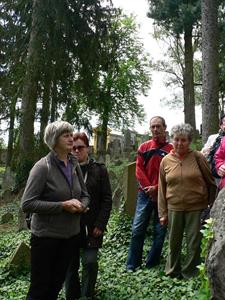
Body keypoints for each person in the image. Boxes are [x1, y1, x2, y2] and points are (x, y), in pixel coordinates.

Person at [21, 121, 89, 300]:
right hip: (46, 238)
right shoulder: (42, 167)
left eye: (71, 134)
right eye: (65, 135)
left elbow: (85, 194)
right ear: (54, 140)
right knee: (39, 289)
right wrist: (62, 206)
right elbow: (27, 204)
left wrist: (82, 205)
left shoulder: (74, 164)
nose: (71, 138)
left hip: (70, 237)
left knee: (56, 285)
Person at [158, 123, 216, 279]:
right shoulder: (166, 161)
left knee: (194, 243)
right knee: (173, 242)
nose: (179, 143)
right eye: (176, 139)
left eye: (183, 140)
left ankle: (190, 272)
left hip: (196, 207)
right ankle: (172, 271)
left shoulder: (198, 157)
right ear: (172, 140)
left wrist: (211, 206)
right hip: (174, 207)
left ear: (189, 141)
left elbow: (211, 183)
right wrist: (162, 213)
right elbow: (162, 189)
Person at [65, 132, 112, 300]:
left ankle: (87, 295)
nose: (76, 151)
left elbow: (107, 199)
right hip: (69, 228)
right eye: (73, 148)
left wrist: (100, 224)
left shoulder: (99, 170)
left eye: (80, 147)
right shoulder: (65, 170)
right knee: (70, 267)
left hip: (92, 227)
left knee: (90, 262)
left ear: (88, 149)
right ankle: (72, 295)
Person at [126, 116, 173, 271]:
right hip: (145, 194)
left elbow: (172, 173)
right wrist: (149, 188)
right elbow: (139, 170)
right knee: (137, 229)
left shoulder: (171, 150)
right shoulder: (144, 147)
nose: (155, 129)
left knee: (160, 231)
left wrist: (157, 188)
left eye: (158, 126)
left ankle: (152, 263)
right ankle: (132, 264)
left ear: (165, 127)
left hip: (163, 196)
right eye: (152, 127)